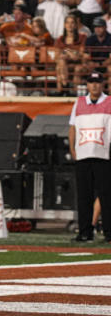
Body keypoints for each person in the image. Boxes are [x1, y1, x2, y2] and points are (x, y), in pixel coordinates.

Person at [69, 71, 111, 242]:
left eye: (97, 82)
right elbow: (72, 127)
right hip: (83, 154)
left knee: (107, 195)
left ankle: (109, 232)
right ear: (87, 85)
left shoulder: (109, 102)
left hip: (104, 155)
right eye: (91, 82)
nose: (94, 85)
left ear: (102, 84)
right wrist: (72, 149)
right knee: (83, 195)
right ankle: (85, 231)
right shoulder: (79, 103)